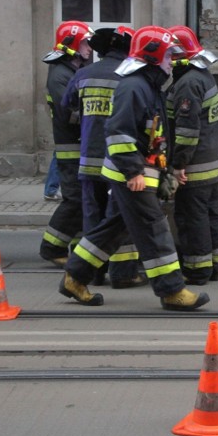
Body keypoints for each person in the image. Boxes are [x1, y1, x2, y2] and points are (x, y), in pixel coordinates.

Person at [59, 25, 209, 311]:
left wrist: (164, 171)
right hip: (130, 175)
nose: (171, 62)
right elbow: (117, 132)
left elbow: (151, 135)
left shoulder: (146, 85)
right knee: (154, 229)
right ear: (152, 57)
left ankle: (74, 277)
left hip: (139, 173)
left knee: (112, 230)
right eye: (167, 56)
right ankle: (172, 290)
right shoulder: (134, 86)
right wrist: (133, 173)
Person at [61, 26, 145, 288]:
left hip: (89, 160)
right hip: (118, 163)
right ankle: (123, 273)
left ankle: (93, 274)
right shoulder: (131, 78)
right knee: (120, 219)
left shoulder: (82, 74)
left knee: (93, 220)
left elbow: (68, 107)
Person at [166, 25, 218, 285]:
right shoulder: (204, 76)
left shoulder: (188, 83)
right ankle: (215, 265)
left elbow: (187, 131)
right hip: (212, 162)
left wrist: (179, 164)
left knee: (193, 219)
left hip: (196, 166)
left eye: (169, 56)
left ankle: (197, 270)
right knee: (210, 214)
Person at [39, 21, 93, 268]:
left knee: (84, 200)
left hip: (79, 146)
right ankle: (51, 247)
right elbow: (70, 112)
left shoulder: (73, 70)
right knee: (75, 200)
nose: (89, 48)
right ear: (71, 45)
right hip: (70, 147)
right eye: (84, 42)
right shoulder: (60, 75)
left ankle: (78, 248)